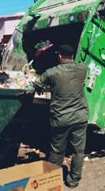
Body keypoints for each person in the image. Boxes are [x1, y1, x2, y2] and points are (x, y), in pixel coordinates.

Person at [33, 44, 89, 188]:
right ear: (72, 56)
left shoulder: (52, 73)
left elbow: (37, 84)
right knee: (78, 150)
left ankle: (52, 181)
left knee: (57, 150)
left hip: (61, 118)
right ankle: (73, 180)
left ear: (59, 56)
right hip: (80, 116)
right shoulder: (82, 69)